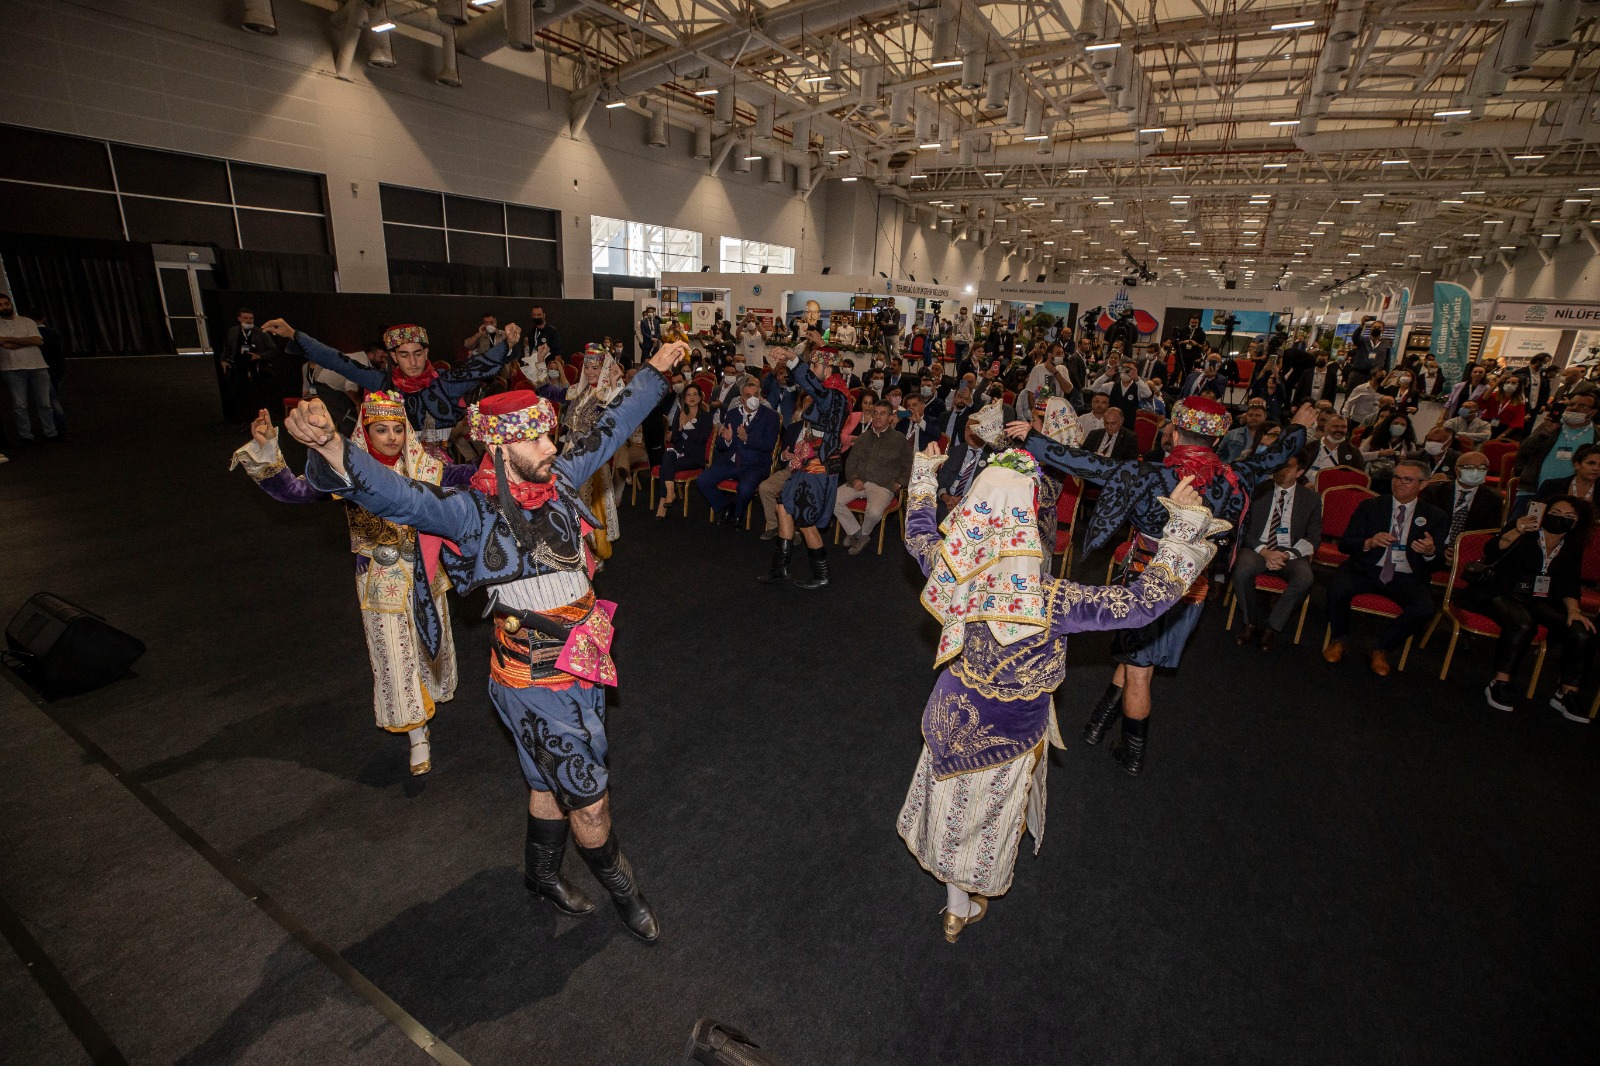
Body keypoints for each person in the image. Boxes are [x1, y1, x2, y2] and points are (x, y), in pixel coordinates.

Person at [284, 339, 689, 942]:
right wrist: (333, 449)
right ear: (501, 447)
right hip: (531, 682)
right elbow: (397, 496)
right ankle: (626, 893)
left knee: (546, 783)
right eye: (537, 439)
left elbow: (609, 426)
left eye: (551, 436)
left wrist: (654, 371)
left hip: (581, 665)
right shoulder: (469, 511)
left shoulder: (562, 476)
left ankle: (541, 876)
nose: (552, 447)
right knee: (590, 801)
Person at [897, 447, 1220, 942]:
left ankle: (954, 909)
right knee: (982, 818)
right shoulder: (1053, 600)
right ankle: (961, 904)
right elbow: (1140, 604)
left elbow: (918, 530)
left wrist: (923, 474)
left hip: (951, 711)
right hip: (1009, 732)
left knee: (948, 802)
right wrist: (1181, 531)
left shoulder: (951, 566)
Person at [1009, 397, 1313, 774]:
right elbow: (1275, 455)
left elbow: (1087, 464)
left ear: (1175, 432)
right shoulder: (1238, 476)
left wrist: (1033, 438)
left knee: (1140, 671)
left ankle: (1134, 756)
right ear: (1217, 438)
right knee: (1137, 657)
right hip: (1194, 589)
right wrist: (1297, 427)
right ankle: (1097, 725)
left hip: (1144, 584)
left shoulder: (1151, 475)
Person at [232, 395, 471, 774]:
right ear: (366, 430)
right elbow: (295, 491)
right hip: (380, 575)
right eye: (381, 430)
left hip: (427, 573)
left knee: (429, 647)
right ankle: (416, 735)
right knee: (393, 654)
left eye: (397, 429)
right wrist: (267, 451)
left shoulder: (428, 463)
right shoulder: (345, 467)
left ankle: (428, 706)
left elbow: (467, 476)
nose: (391, 437)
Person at [263, 319, 518, 458]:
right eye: (405, 355)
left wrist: (508, 343)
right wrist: (294, 334)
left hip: (440, 468)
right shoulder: (382, 384)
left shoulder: (445, 382)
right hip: (393, 467)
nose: (413, 361)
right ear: (394, 357)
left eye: (418, 354)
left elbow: (481, 366)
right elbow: (337, 361)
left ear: (426, 352)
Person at [1323, 459, 1447, 675]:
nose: (1399, 483)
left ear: (1423, 484)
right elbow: (1345, 545)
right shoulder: (1371, 506)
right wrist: (1368, 542)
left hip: (1407, 575)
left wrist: (1429, 552)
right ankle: (1339, 639)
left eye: (1407, 479)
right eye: (1396, 477)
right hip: (1367, 567)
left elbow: (1437, 563)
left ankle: (1381, 647)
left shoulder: (1436, 516)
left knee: (1425, 608)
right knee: (1338, 587)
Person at [1479, 497, 1595, 719]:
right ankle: (1500, 682)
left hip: (1539, 599)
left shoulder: (1572, 546)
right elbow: (1493, 549)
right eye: (1555, 512)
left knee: (1582, 631)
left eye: (1568, 517)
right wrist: (1517, 530)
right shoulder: (1525, 528)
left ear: (1577, 523)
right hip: (1501, 591)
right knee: (1523, 624)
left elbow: (1570, 583)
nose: (1560, 518)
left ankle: (1566, 693)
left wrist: (1574, 610)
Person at [759, 336, 851, 589]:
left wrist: (793, 359)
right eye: (809, 365)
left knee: (806, 520)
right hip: (807, 462)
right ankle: (781, 568)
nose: (811, 370)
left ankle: (822, 575)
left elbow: (813, 388)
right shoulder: (829, 394)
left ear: (828, 369)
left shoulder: (835, 395)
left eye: (814, 366)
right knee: (783, 507)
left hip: (818, 468)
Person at [1231, 451, 1321, 651]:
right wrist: (1265, 552)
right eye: (1278, 466)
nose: (1280, 471)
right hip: (1257, 548)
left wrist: (1287, 554)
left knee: (1305, 577)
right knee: (1242, 568)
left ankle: (1272, 627)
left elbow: (1314, 538)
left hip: (1290, 552)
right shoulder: (1258, 491)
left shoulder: (1311, 499)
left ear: (1299, 472)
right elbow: (1241, 529)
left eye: (1287, 466)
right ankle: (1250, 622)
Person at [697, 376, 779, 525]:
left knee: (745, 488)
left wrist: (747, 438)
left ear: (760, 397)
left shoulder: (771, 416)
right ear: (742, 399)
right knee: (702, 480)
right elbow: (721, 446)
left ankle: (738, 514)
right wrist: (727, 440)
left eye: (756, 395)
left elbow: (769, 445)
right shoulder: (733, 414)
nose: (753, 398)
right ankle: (725, 507)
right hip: (731, 461)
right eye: (748, 396)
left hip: (755, 464)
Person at [835, 401, 913, 555]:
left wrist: (899, 484)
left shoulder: (899, 440)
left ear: (890, 418)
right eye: (875, 413)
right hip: (859, 481)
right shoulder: (863, 437)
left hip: (884, 486)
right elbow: (850, 462)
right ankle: (859, 535)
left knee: (874, 513)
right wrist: (854, 479)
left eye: (882, 413)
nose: (877, 417)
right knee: (832, 500)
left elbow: (908, 466)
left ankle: (861, 535)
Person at [1514, 392, 1598, 503]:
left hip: (1572, 497)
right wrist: (1544, 434)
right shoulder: (1551, 426)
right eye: (1571, 404)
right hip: (1533, 491)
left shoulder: (1596, 435)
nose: (1574, 408)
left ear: (1593, 412)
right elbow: (1524, 451)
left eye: (1582, 406)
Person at [0, 293, 55, 446]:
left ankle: (50, 432)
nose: (4, 307)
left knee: (45, 403)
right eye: (1, 305)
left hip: (38, 366)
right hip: (11, 368)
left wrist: (10, 340)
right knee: (20, 405)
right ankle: (26, 435)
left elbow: (37, 340)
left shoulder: (27, 321)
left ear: (11, 304)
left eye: (6, 303)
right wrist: (26, 341)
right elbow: (3, 344)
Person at [1421, 452, 1502, 552]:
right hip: (1435, 548)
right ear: (1456, 470)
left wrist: (1463, 554)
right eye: (1469, 467)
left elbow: (1489, 533)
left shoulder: (1493, 499)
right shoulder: (1434, 492)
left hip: (1469, 551)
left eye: (1482, 467)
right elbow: (1423, 525)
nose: (1476, 471)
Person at [655, 384, 711, 519]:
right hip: (679, 452)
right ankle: (669, 493)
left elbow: (701, 440)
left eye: (694, 394)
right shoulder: (680, 414)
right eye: (688, 395)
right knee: (668, 454)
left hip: (694, 456)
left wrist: (687, 425)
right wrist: (679, 429)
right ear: (684, 398)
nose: (691, 397)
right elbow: (675, 439)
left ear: (700, 397)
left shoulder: (706, 417)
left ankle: (663, 502)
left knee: (665, 467)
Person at [35, 311, 66, 440]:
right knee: (53, 398)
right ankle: (60, 427)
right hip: (55, 368)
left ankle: (57, 427)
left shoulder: (35, 335)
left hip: (41, 369)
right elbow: (59, 352)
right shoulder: (52, 333)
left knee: (49, 400)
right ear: (44, 318)